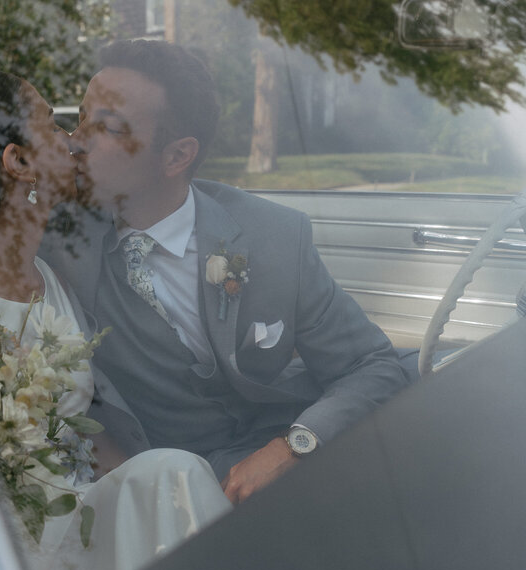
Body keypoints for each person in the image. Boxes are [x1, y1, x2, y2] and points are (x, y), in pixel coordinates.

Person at [0, 69, 230, 570]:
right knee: (174, 476)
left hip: (75, 514)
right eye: (51, 124)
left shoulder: (56, 283)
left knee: (174, 473)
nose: (72, 139)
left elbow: (90, 438)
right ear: (19, 162)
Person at [42, 39, 409, 502]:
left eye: (108, 127)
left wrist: (296, 446)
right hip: (175, 487)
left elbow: (369, 363)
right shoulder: (54, 239)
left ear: (177, 156)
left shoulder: (274, 235)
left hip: (294, 443)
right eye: (80, 119)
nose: (77, 141)